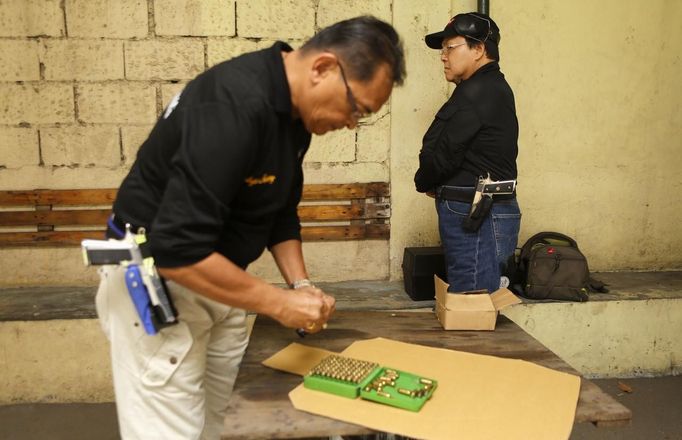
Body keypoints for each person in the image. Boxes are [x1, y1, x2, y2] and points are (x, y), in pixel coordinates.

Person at [95, 16, 405, 439]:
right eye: (356, 108)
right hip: (158, 280)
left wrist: (300, 286)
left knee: (221, 423)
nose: (352, 123)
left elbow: (278, 213)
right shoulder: (235, 104)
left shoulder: (294, 116)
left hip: (220, 279)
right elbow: (174, 249)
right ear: (322, 68)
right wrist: (277, 304)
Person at [414, 12, 520, 294]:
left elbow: (444, 150)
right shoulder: (485, 88)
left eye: (450, 47)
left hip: (479, 212)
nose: (443, 56)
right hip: (480, 209)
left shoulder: (478, 92)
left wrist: (426, 181)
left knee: (473, 303)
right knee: (476, 302)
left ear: (479, 49)